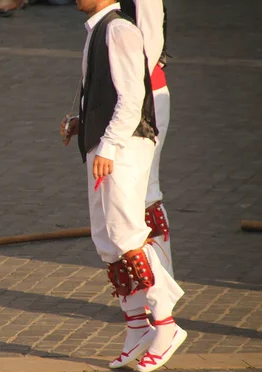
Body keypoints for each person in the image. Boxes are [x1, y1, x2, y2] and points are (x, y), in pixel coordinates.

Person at [61, 0, 185, 372]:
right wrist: (82, 124)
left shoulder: (119, 30)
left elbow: (133, 97)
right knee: (106, 237)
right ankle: (136, 327)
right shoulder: (100, 30)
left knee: (126, 232)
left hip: (125, 146)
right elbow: (103, 92)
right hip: (106, 144)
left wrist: (111, 145)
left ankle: (165, 322)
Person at [119, 0, 173, 276]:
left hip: (143, 96)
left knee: (145, 193)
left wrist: (133, 98)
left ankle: (159, 285)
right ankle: (149, 288)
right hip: (126, 96)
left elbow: (150, 42)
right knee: (128, 195)